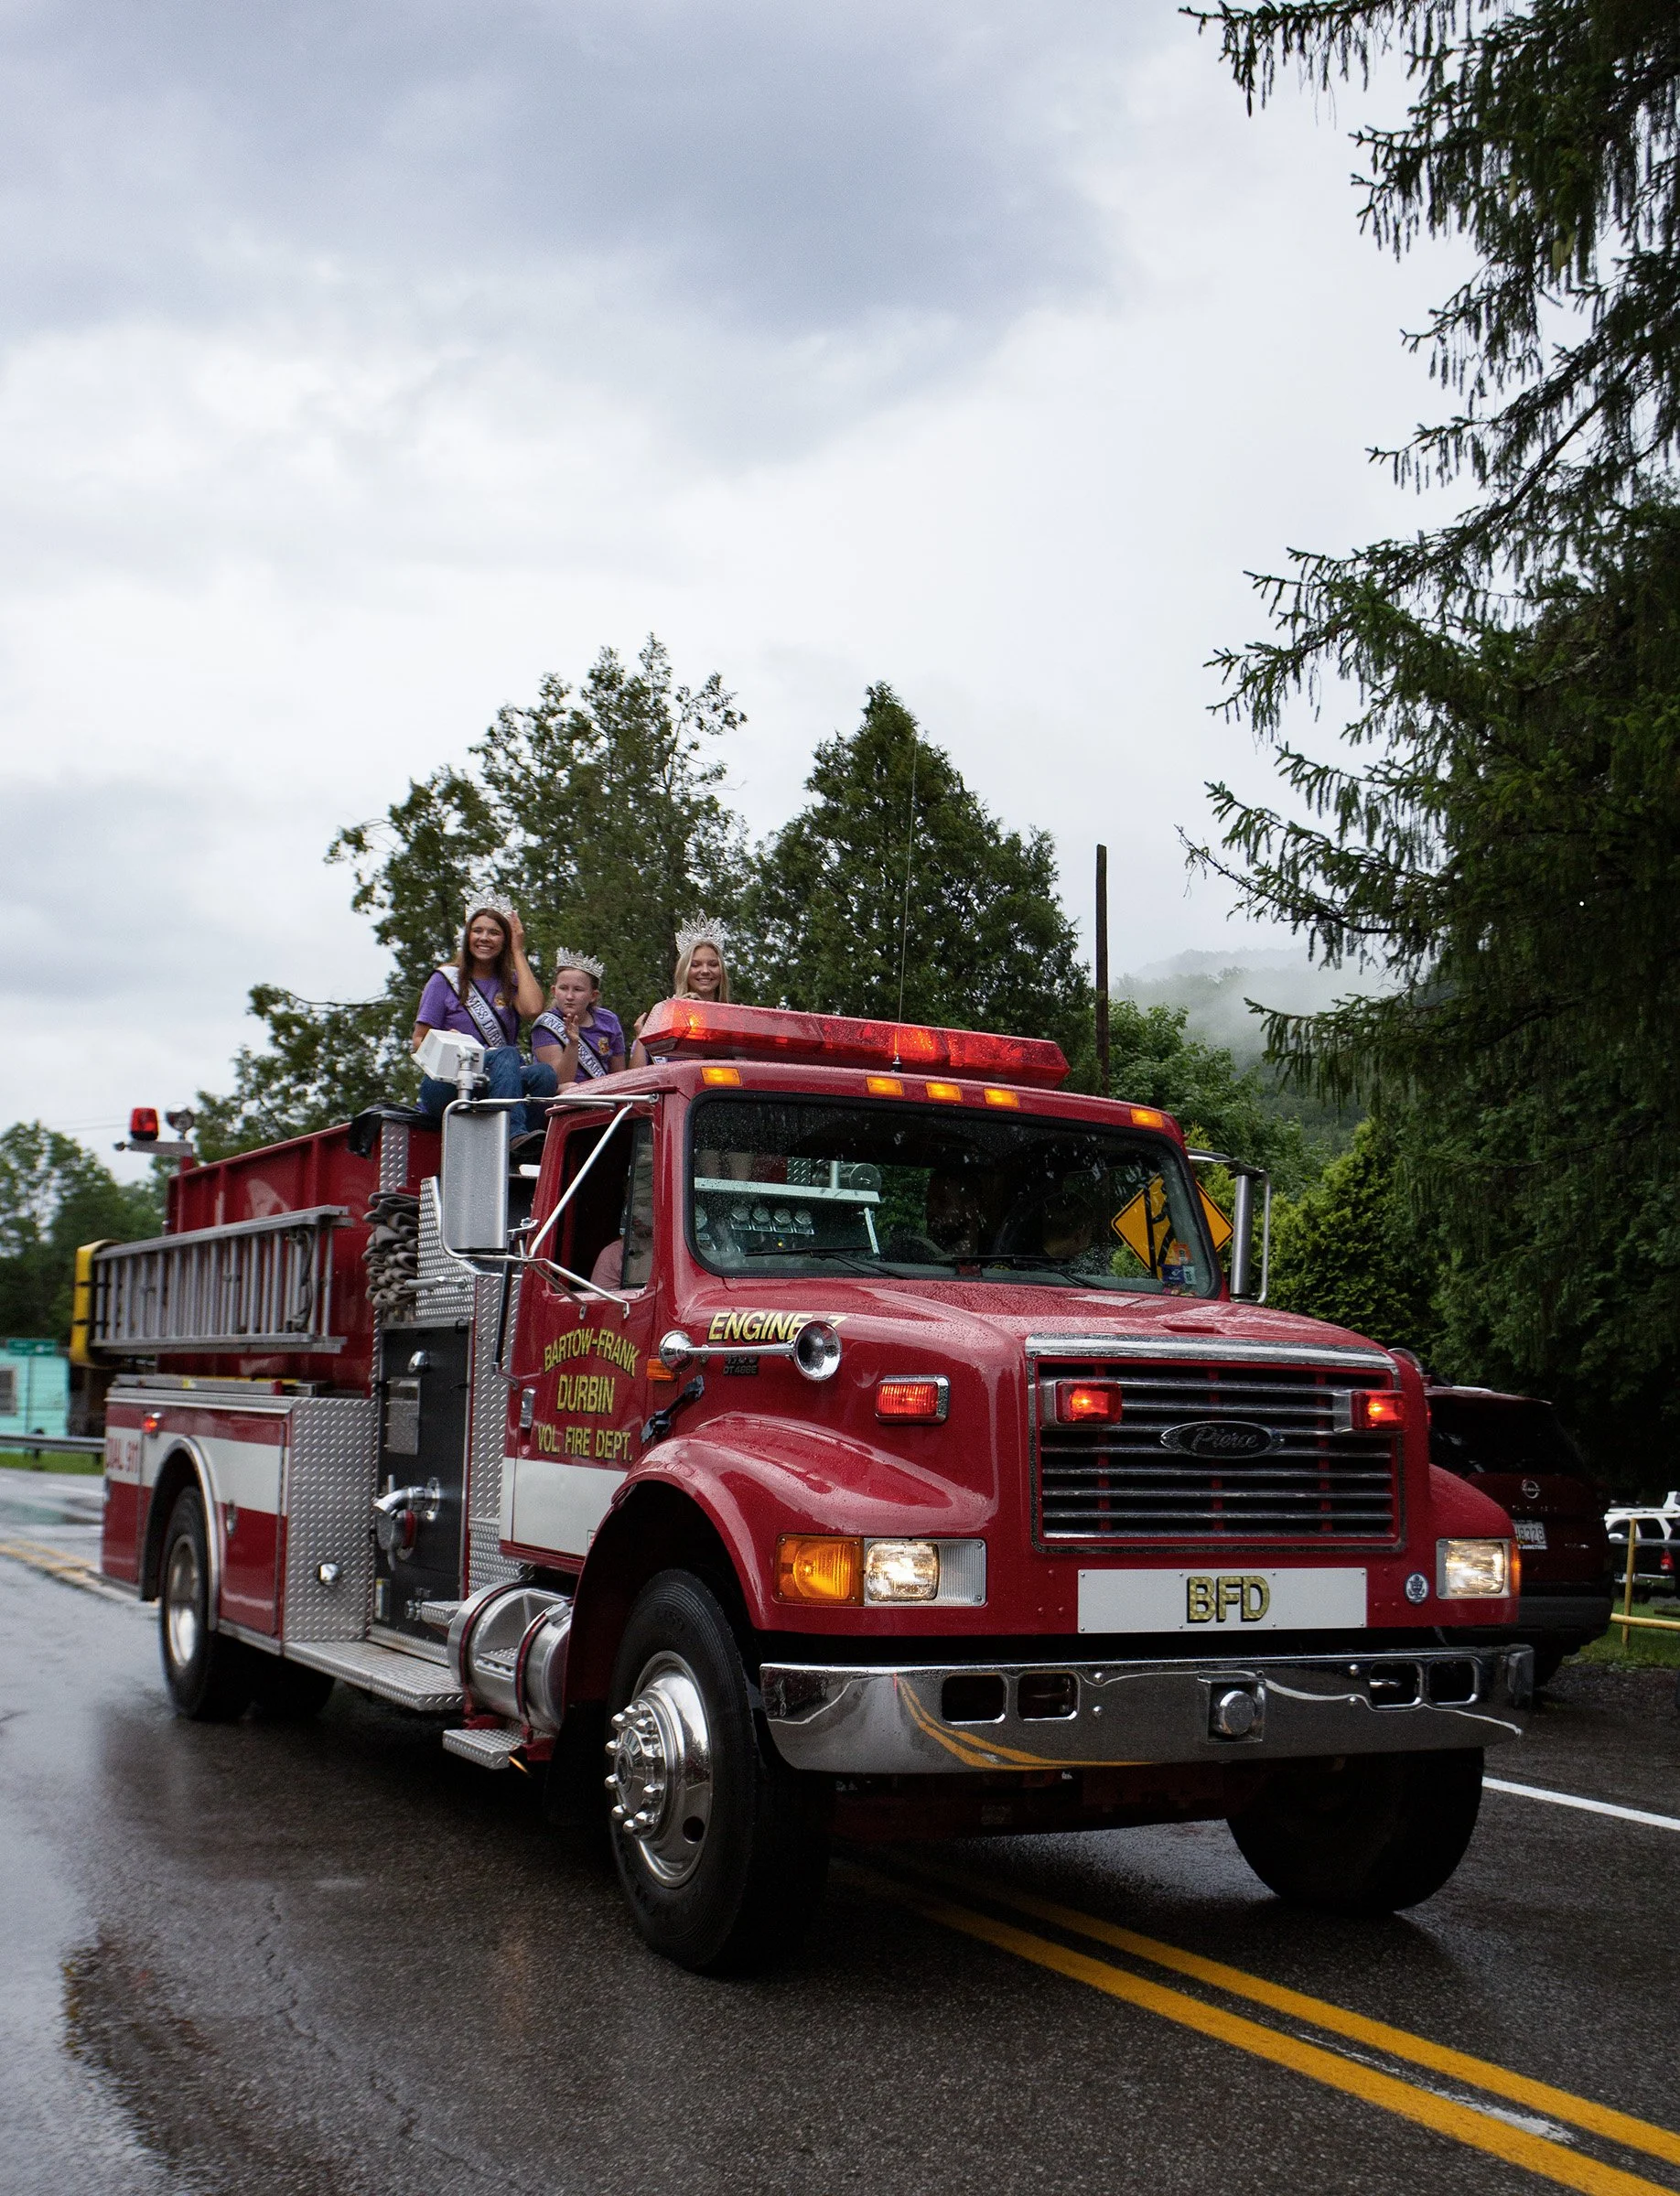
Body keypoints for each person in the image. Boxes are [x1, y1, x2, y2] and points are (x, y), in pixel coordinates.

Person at [413, 892, 555, 1136]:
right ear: (467, 936)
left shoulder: (510, 982)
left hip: (499, 1082)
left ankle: (524, 1148)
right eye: (478, 931)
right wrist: (447, 1041)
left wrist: (518, 952)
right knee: (508, 1054)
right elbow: (418, 1041)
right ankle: (512, 1135)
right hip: (450, 1080)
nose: (484, 938)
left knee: (545, 1075)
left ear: (505, 941)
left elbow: (532, 1009)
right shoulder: (445, 979)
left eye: (494, 932)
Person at [630, 919, 730, 1068]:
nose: (705, 971)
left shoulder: (732, 1018)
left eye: (713, 964)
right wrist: (643, 1038)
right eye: (695, 965)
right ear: (684, 971)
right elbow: (636, 1075)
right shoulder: (664, 1016)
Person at [532, 950, 628, 1085]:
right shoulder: (545, 1026)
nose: (570, 996)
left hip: (603, 1097)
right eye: (563, 988)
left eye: (578, 990)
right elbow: (559, 1081)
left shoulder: (608, 1020)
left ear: (593, 995)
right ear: (554, 991)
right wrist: (573, 1044)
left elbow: (618, 1076)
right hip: (564, 1099)